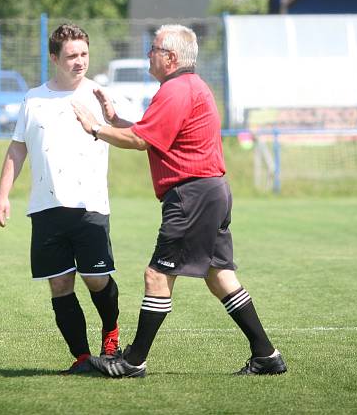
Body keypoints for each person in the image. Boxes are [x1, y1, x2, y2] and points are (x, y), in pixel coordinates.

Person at [72, 24, 286, 378]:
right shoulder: (189, 86)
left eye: (153, 48)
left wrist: (96, 128)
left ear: (170, 58)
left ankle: (132, 361)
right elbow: (151, 134)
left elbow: (141, 141)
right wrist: (114, 120)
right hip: (210, 190)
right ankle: (266, 355)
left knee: (156, 275)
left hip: (192, 195)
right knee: (220, 276)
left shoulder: (175, 90)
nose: (148, 54)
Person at [0, 23, 121, 374]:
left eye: (84, 54)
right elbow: (17, 149)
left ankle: (111, 333)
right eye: (71, 56)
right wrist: (3, 195)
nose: (79, 62)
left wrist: (111, 119)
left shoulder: (100, 94)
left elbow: (129, 133)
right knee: (60, 284)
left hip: (89, 205)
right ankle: (81, 358)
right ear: (54, 58)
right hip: (47, 208)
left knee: (96, 279)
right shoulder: (34, 98)